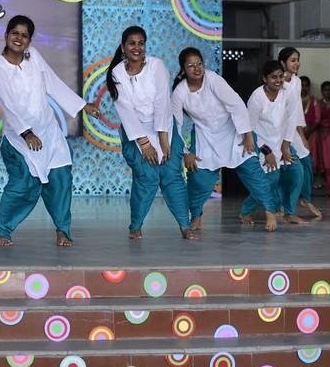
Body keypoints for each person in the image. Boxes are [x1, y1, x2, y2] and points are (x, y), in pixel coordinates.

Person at [0, 16, 100, 247]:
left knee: (61, 180)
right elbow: (8, 106)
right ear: (6, 35)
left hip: (49, 133)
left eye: (24, 35)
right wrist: (27, 133)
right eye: (15, 33)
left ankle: (63, 230)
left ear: (29, 40)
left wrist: (82, 106)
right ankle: (2, 230)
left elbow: (53, 82)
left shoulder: (33, 55)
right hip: (20, 140)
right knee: (24, 185)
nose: (19, 38)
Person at [171, 48, 278, 232]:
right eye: (191, 65)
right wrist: (186, 153)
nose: (197, 68)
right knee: (199, 180)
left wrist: (247, 135)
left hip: (233, 132)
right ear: (183, 69)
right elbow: (175, 126)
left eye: (199, 64)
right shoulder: (179, 92)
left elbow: (236, 104)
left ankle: (270, 211)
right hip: (205, 137)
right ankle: (196, 216)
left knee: (253, 173)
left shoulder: (212, 79)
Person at [105, 26, 195, 240]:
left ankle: (185, 226)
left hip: (165, 127)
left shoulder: (156, 66)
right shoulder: (117, 73)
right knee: (146, 178)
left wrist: (163, 139)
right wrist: (145, 144)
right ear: (123, 47)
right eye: (132, 43)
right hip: (135, 132)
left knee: (173, 176)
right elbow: (126, 111)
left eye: (141, 43)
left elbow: (162, 102)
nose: (137, 48)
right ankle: (135, 226)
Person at [242, 60, 305, 225]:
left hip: (283, 141)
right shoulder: (257, 98)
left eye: (280, 77)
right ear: (265, 78)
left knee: (297, 171)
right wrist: (266, 151)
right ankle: (246, 211)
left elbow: (292, 119)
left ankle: (289, 213)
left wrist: (286, 145)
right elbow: (250, 129)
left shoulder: (288, 91)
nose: (278, 81)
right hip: (262, 144)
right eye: (273, 77)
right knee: (271, 180)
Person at [278, 47, 321, 218]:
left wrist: (302, 136)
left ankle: (305, 199)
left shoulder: (296, 82)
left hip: (292, 129)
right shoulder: (277, 82)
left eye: (298, 60)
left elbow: (296, 111)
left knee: (307, 160)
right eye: (293, 60)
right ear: (283, 63)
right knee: (284, 168)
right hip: (277, 131)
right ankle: (281, 206)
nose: (297, 63)